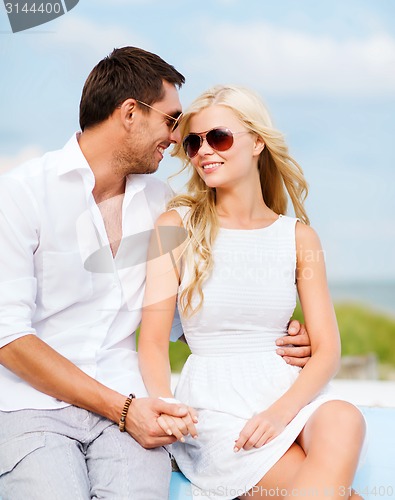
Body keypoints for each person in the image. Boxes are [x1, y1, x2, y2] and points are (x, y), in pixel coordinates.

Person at [0, 48, 310, 500]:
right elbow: (8, 338)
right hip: (34, 409)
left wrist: (276, 335)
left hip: (133, 412)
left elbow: (181, 316)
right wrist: (125, 410)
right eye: (172, 122)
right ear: (130, 113)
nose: (177, 138)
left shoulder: (161, 204)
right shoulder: (21, 194)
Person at [138, 85, 367, 499]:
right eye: (193, 142)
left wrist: (280, 414)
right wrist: (165, 405)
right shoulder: (175, 227)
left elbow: (328, 349)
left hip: (289, 394)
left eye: (219, 137)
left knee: (346, 419)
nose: (204, 151)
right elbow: (152, 342)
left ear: (258, 141)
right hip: (216, 404)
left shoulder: (299, 237)